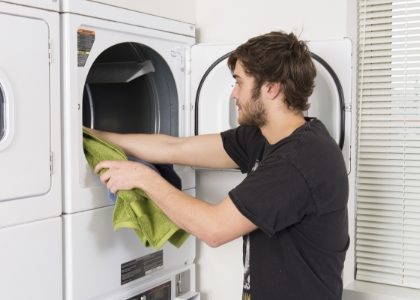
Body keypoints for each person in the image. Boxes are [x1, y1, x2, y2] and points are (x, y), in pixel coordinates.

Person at [89, 31, 349, 300]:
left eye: (239, 82)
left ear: (272, 88)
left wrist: (144, 178)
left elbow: (214, 229)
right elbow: (173, 148)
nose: (234, 93)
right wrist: (89, 134)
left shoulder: (299, 159)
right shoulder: (264, 137)